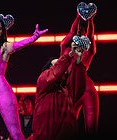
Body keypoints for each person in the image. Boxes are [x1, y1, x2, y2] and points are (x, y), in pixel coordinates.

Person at [32, 43, 87, 140]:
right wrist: (70, 54)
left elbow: (79, 84)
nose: (64, 68)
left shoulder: (66, 89)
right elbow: (56, 72)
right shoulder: (43, 79)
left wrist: (78, 60)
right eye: (56, 64)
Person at [60, 8, 98, 136]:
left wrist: (90, 19)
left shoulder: (87, 49)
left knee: (91, 128)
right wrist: (79, 16)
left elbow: (90, 36)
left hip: (85, 87)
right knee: (68, 126)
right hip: (73, 87)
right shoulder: (66, 47)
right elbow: (72, 32)